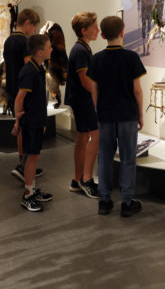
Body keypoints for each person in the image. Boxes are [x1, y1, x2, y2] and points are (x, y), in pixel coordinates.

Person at [86, 16, 146, 217]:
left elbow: (94, 90)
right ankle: (127, 202)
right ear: (122, 32)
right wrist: (140, 114)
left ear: (102, 35)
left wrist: (98, 110)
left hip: (106, 115)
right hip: (127, 114)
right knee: (128, 159)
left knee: (105, 157)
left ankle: (104, 200)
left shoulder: (96, 59)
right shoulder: (132, 58)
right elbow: (137, 90)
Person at [12, 34, 53, 212]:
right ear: (39, 51)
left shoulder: (38, 68)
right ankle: (28, 195)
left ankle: (32, 189)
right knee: (31, 158)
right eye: (49, 47)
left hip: (37, 120)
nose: (51, 49)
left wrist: (42, 121)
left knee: (34, 157)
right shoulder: (29, 71)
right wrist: (18, 120)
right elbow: (20, 97)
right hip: (30, 121)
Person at [3, 8, 43, 181]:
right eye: (34, 27)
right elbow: (29, 66)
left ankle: (24, 164)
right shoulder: (25, 43)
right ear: (27, 24)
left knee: (21, 128)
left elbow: (6, 66)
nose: (34, 31)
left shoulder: (8, 41)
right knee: (28, 130)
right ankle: (24, 166)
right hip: (25, 92)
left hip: (13, 89)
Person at [64, 12, 99, 199]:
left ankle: (77, 180)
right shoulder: (81, 51)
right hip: (82, 100)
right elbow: (86, 82)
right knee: (96, 136)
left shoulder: (82, 48)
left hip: (79, 99)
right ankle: (86, 179)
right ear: (84, 30)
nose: (98, 30)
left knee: (84, 137)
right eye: (95, 27)